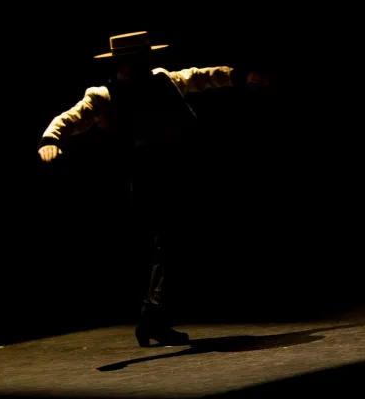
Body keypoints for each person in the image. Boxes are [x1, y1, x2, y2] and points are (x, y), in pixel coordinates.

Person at [37, 31, 268, 347]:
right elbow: (72, 118)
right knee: (170, 243)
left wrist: (237, 75)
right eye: (137, 61)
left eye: (145, 59)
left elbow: (199, 77)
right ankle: (152, 316)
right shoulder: (105, 95)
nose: (145, 65)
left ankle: (155, 318)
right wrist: (51, 140)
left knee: (175, 246)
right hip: (148, 172)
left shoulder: (161, 80)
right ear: (123, 64)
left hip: (177, 165)